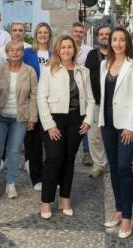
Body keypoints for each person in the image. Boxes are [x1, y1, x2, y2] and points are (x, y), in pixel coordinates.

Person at [37, 36, 95, 219]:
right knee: (54, 158)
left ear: (74, 50)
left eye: (70, 47)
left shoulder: (83, 71)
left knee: (69, 159)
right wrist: (48, 124)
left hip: (76, 119)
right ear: (58, 50)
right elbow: (41, 99)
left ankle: (65, 199)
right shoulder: (48, 70)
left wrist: (88, 120)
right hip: (55, 118)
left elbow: (91, 98)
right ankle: (46, 201)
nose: (67, 50)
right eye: (63, 48)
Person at [100, 27, 133, 239]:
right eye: (114, 40)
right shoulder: (103, 64)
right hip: (107, 123)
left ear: (127, 42)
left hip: (126, 124)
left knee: (125, 167)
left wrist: (130, 125)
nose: (117, 43)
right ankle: (118, 209)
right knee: (114, 167)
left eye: (121, 40)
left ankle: (127, 217)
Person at [0, 40, 38, 200]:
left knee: (14, 151)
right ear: (6, 53)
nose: (15, 53)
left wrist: (33, 117)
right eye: (11, 50)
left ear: (22, 53)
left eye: (18, 50)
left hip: (20, 118)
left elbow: (35, 95)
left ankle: (11, 184)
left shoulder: (30, 71)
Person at [22, 22, 53, 191]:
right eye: (40, 32)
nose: (42, 35)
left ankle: (50, 176)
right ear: (35, 35)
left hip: (50, 104)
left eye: (45, 32)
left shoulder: (54, 54)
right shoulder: (27, 53)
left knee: (51, 144)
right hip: (33, 103)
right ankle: (37, 178)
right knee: (33, 143)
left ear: (49, 35)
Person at [84, 24, 111, 178]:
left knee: (113, 134)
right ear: (97, 37)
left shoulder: (118, 54)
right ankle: (99, 165)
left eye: (107, 34)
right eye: (101, 34)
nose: (104, 36)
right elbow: (87, 77)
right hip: (95, 102)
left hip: (114, 104)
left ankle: (114, 163)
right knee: (94, 135)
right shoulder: (92, 55)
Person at [71, 21, 93, 165]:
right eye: (76, 31)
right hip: (67, 88)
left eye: (81, 32)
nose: (78, 34)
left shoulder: (88, 50)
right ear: (71, 31)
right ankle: (70, 152)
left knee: (85, 119)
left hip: (84, 88)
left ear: (83, 33)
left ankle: (87, 152)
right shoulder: (66, 46)